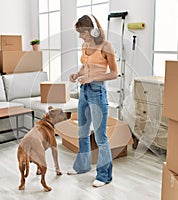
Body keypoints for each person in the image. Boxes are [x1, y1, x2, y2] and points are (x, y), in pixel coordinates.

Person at [68, 14, 118, 187]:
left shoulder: (106, 46)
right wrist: (77, 74)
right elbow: (85, 66)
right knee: (82, 132)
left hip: (98, 92)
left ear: (93, 30)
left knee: (100, 136)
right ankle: (82, 166)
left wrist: (92, 78)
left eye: (82, 32)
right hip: (84, 92)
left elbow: (114, 73)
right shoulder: (84, 46)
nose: (80, 36)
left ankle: (104, 176)